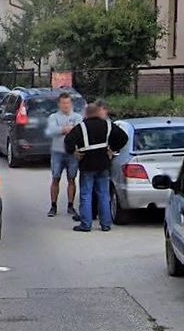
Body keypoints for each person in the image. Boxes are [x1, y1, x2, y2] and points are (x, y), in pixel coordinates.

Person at [65, 102, 128, 232]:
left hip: (87, 165)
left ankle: (86, 224)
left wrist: (73, 152)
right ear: (98, 112)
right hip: (103, 164)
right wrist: (112, 149)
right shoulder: (108, 125)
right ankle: (106, 224)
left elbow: (68, 141)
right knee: (104, 194)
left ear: (86, 114)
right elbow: (123, 137)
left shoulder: (81, 127)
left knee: (86, 194)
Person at [44, 93, 84, 218]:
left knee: (72, 179)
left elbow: (79, 131)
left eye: (67, 103)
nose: (65, 106)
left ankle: (70, 205)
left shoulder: (77, 117)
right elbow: (50, 131)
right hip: (57, 152)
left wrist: (66, 130)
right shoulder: (53, 117)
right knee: (55, 177)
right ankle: (53, 205)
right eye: (63, 103)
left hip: (72, 153)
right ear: (59, 104)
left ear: (71, 104)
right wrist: (63, 130)